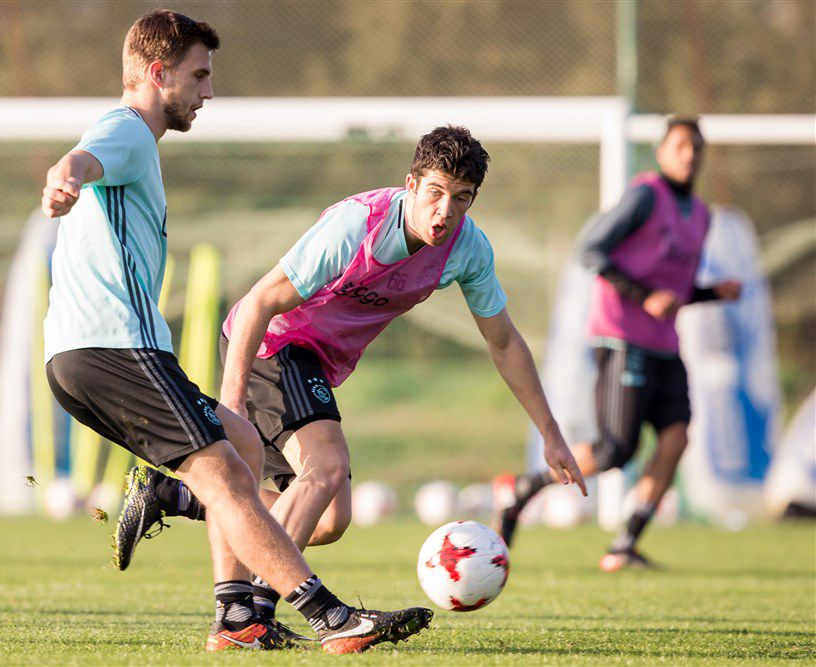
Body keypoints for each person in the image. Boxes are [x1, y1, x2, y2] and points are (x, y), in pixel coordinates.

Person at [41, 9, 431, 653]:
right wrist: (66, 178)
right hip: (113, 346)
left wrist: (72, 178)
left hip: (81, 357)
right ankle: (331, 617)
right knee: (224, 474)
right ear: (158, 73)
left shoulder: (133, 138)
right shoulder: (128, 129)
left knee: (242, 448)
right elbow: (83, 159)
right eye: (199, 75)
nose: (208, 91)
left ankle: (235, 618)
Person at [116, 125, 587, 629]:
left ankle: (172, 496)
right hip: (274, 342)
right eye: (434, 193)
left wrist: (551, 434)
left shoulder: (468, 249)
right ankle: (255, 614)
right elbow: (258, 303)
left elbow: (505, 342)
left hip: (313, 363)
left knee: (328, 520)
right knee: (328, 465)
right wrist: (231, 408)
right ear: (411, 184)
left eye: (460, 198)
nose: (444, 212)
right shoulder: (357, 224)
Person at [493, 116, 742, 571]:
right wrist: (644, 296)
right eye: (681, 145)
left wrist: (711, 293)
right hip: (622, 338)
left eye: (697, 147)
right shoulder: (645, 195)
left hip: (666, 346)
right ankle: (523, 489)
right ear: (663, 152)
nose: (690, 154)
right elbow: (591, 250)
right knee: (615, 450)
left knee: (676, 437)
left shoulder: (702, 215)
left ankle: (625, 544)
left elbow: (675, 292)